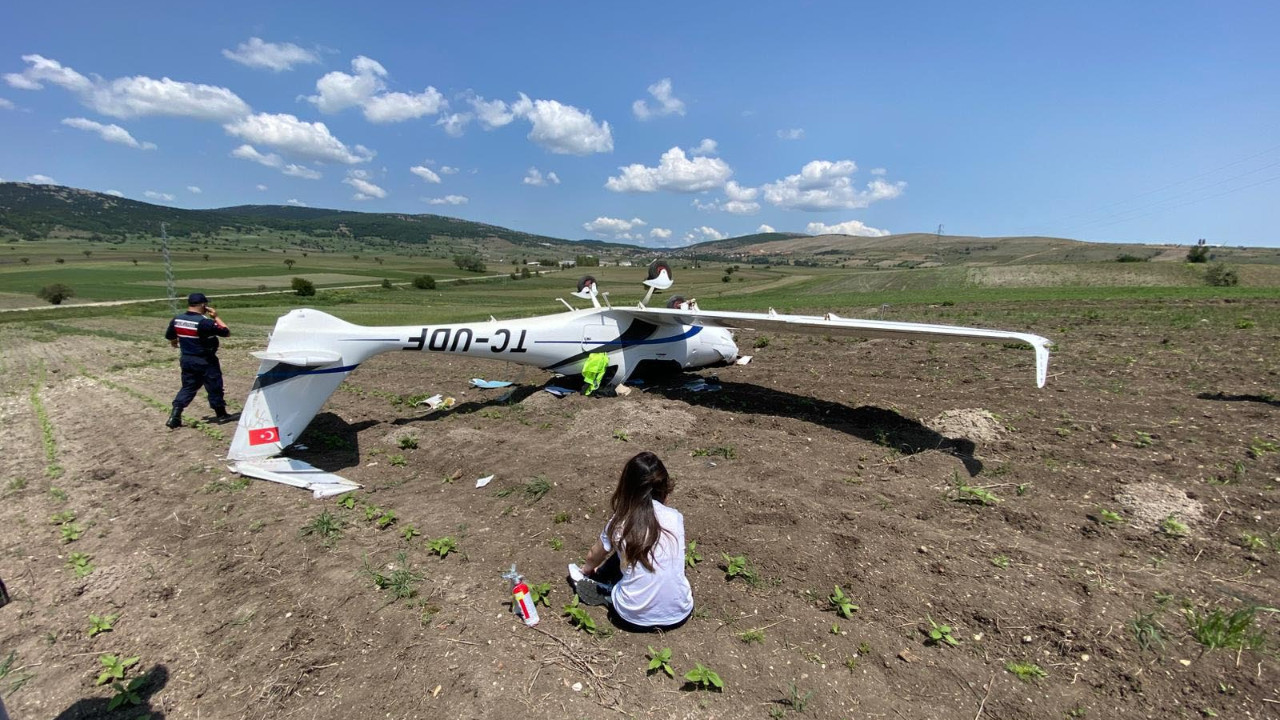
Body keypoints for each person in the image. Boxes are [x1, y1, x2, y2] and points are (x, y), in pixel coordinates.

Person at [576, 451, 694, 632]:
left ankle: (606, 589)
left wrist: (586, 570)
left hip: (631, 618)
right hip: (679, 613)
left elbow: (594, 555)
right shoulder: (676, 518)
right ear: (664, 487)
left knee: (626, 549)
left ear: (626, 488)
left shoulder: (621, 521)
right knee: (641, 550)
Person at [164, 292, 231, 428]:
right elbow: (226, 331)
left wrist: (174, 341)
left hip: (187, 359)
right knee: (214, 386)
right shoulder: (203, 322)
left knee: (188, 387)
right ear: (203, 305)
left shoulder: (177, 319)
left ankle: (175, 415)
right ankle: (221, 414)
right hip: (205, 360)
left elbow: (170, 335)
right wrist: (216, 317)